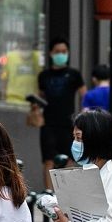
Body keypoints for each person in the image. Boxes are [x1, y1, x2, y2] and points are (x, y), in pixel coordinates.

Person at [36, 37, 85, 189]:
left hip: (68, 123)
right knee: (49, 160)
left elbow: (85, 95)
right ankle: (48, 196)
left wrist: (83, 117)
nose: (61, 54)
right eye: (57, 52)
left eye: (64, 52)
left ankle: (66, 196)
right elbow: (39, 98)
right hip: (48, 123)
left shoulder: (74, 74)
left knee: (69, 161)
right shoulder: (44, 76)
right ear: (51, 53)